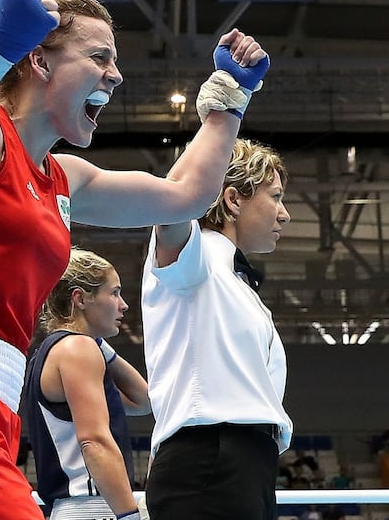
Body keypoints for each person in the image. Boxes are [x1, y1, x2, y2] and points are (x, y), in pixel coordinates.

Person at [0, 0, 270, 520]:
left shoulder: (64, 178)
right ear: (40, 61)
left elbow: (185, 197)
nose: (116, 74)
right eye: (100, 56)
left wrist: (228, 101)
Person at [140, 138, 291, 520]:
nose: (284, 214)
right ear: (233, 200)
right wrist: (222, 119)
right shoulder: (198, 256)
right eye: (275, 196)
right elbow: (170, 201)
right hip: (209, 459)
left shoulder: (236, 282)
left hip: (246, 466)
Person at [23, 248, 151, 520]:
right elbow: (94, 441)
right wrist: (128, 515)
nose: (123, 304)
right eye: (114, 293)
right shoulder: (77, 351)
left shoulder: (54, 352)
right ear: (80, 299)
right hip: (95, 506)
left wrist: (100, 344)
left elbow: (143, 402)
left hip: (75, 508)